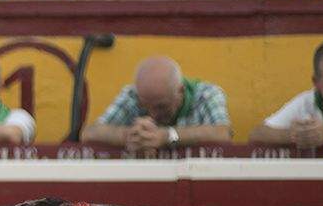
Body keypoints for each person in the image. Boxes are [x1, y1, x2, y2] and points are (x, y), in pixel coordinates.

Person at [80, 54, 233, 154]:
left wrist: (168, 135)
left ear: (181, 90)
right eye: (145, 106)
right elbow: (90, 133)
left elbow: (222, 133)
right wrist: (130, 136)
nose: (153, 114)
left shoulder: (206, 94)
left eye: (161, 106)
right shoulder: (133, 94)